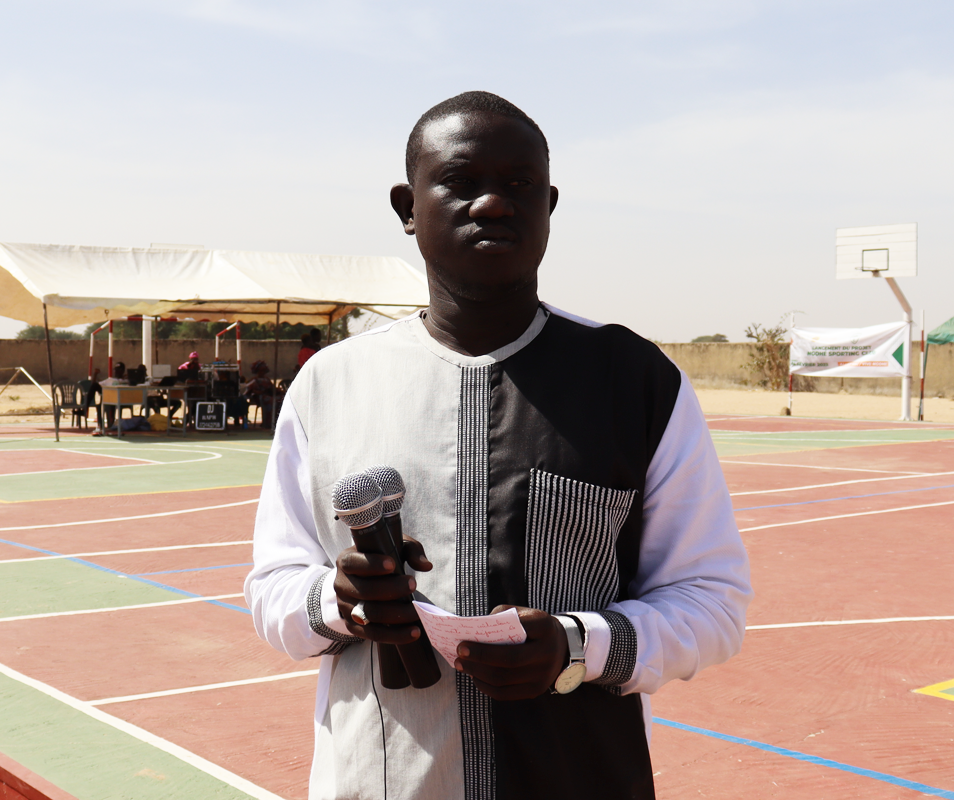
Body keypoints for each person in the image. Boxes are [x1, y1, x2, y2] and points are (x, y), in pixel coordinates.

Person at [244, 91, 752, 800]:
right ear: (407, 207)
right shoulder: (330, 385)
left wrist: (578, 646)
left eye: (519, 185)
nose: (492, 204)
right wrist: (339, 599)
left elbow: (711, 601)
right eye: (460, 181)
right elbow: (272, 587)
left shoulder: (633, 381)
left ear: (549, 205)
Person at [243, 360, 283, 429]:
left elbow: (272, 388)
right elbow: (247, 391)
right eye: (261, 371)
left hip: (269, 395)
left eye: (264, 371)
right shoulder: (254, 380)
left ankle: (277, 422)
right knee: (270, 400)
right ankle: (267, 423)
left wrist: (278, 390)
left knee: (280, 399)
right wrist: (257, 392)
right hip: (259, 398)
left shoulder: (267, 379)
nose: (262, 372)